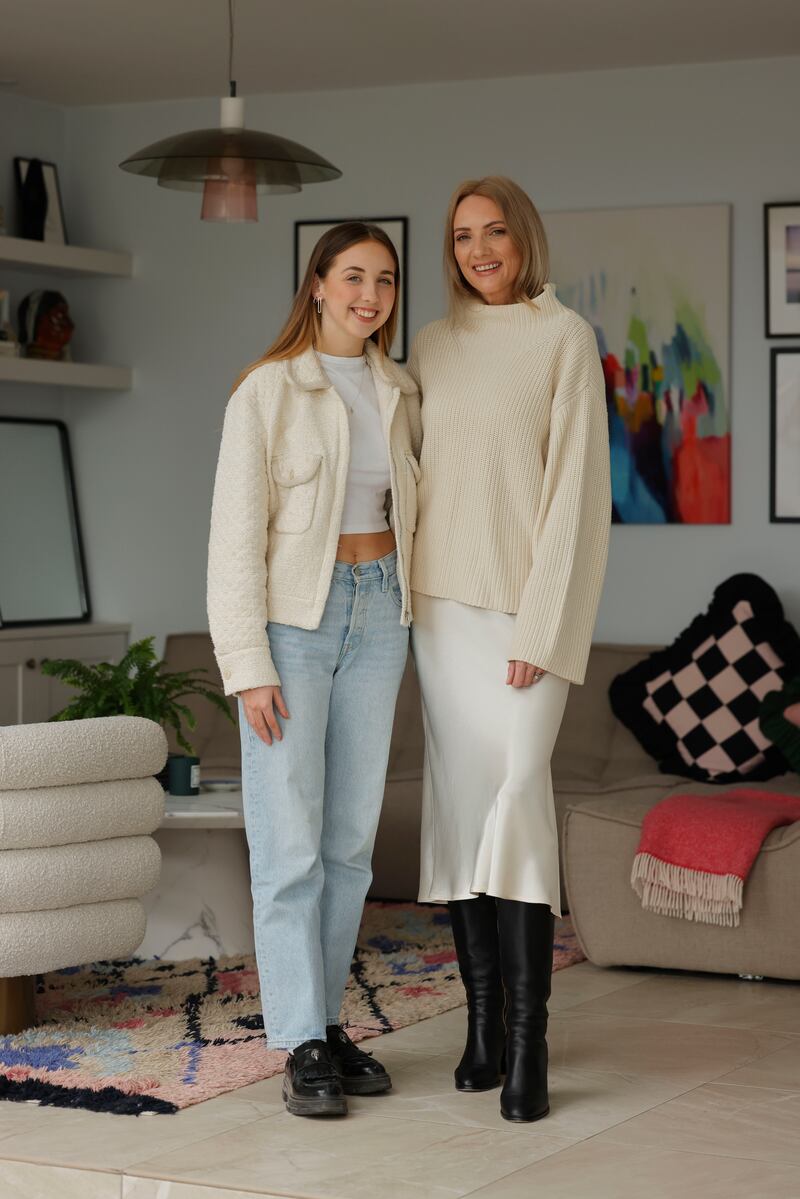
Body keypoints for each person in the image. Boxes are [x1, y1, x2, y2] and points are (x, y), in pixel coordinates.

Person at [407, 177, 611, 1123]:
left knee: (518, 803)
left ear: (524, 238)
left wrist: (541, 626)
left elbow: (575, 501)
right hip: (440, 612)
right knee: (460, 818)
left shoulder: (565, 339)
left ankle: (531, 1045)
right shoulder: (433, 346)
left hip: (526, 616)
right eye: (461, 237)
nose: (479, 249)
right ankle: (482, 1027)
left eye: (493, 232)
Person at [207, 222, 421, 1117]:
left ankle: (323, 1023)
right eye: (354, 277)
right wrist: (248, 666)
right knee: (290, 841)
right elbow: (233, 541)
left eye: (385, 280)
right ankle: (299, 1039)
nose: (370, 295)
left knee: (348, 844)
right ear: (320, 286)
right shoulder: (266, 390)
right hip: (295, 624)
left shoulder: (400, 387)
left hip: (384, 611)